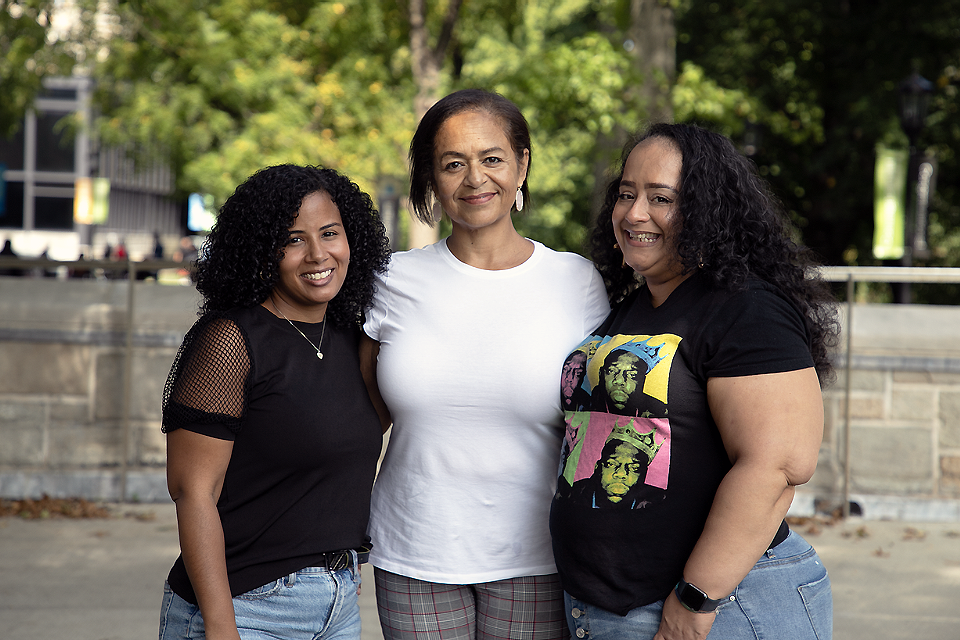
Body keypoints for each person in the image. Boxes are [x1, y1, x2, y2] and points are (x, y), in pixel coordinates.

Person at [550, 123, 840, 640]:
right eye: (625, 194)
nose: (634, 213)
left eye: (661, 198)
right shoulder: (635, 307)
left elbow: (778, 465)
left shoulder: (747, 309)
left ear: (708, 211)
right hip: (606, 608)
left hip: (720, 607)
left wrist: (696, 598)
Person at [360, 88, 610, 640]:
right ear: (432, 177)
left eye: (492, 158)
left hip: (538, 557)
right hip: (414, 553)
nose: (475, 179)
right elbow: (358, 418)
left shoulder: (578, 283)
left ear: (522, 164)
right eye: (453, 164)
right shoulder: (389, 281)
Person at [158, 164, 391, 640]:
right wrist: (222, 627)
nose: (318, 254)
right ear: (263, 250)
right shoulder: (231, 341)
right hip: (247, 607)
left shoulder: (353, 336)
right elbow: (193, 493)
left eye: (330, 233)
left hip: (340, 603)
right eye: (293, 239)